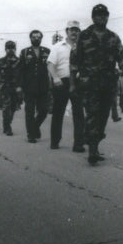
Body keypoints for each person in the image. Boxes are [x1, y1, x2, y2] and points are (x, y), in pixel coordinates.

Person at [74, 4, 123, 165]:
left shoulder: (113, 37)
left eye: (105, 15)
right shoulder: (84, 36)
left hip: (108, 84)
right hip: (89, 83)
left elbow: (122, 57)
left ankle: (94, 144)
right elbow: (74, 61)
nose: (102, 18)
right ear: (93, 17)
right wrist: (72, 83)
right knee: (92, 114)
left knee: (103, 117)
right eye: (98, 15)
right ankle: (92, 150)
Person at [48, 21, 85, 151]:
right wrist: (55, 78)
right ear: (66, 31)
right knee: (58, 112)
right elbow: (50, 64)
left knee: (79, 113)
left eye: (76, 30)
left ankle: (78, 144)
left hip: (78, 82)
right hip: (62, 82)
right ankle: (55, 141)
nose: (74, 32)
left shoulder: (83, 47)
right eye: (71, 30)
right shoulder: (58, 46)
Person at [16, 30, 51, 142]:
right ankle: (31, 134)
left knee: (44, 110)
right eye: (34, 37)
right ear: (30, 38)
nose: (36, 39)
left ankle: (35, 127)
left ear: (41, 38)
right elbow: (20, 70)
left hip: (43, 86)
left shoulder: (47, 51)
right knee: (29, 111)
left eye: (38, 37)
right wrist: (19, 85)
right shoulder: (25, 52)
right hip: (29, 86)